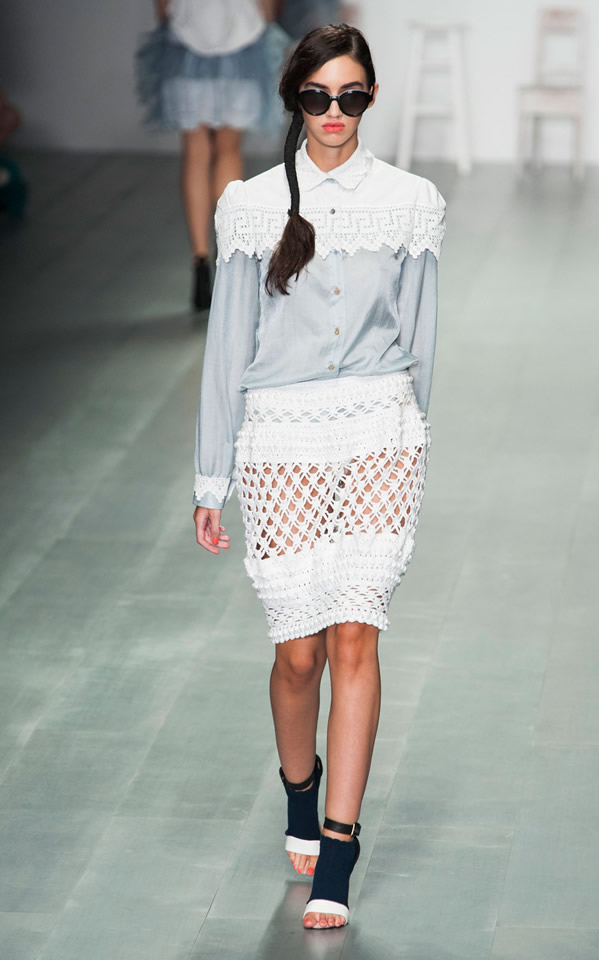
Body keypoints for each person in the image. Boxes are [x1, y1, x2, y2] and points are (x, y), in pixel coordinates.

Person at [192, 23, 446, 929]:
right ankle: (300, 791)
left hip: (380, 430)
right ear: (294, 99)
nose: (334, 113)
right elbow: (228, 345)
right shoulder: (251, 206)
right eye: (317, 96)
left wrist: (415, 441)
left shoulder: (411, 202)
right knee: (297, 655)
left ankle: (339, 845)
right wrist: (210, 476)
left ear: (370, 98)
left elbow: (420, 336)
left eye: (351, 96)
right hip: (281, 439)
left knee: (355, 641)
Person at [136, 0, 284, 310]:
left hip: (186, 39)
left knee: (196, 153)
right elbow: (268, 7)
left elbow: (163, 8)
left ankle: (200, 262)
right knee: (228, 152)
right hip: (241, 37)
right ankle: (227, 254)